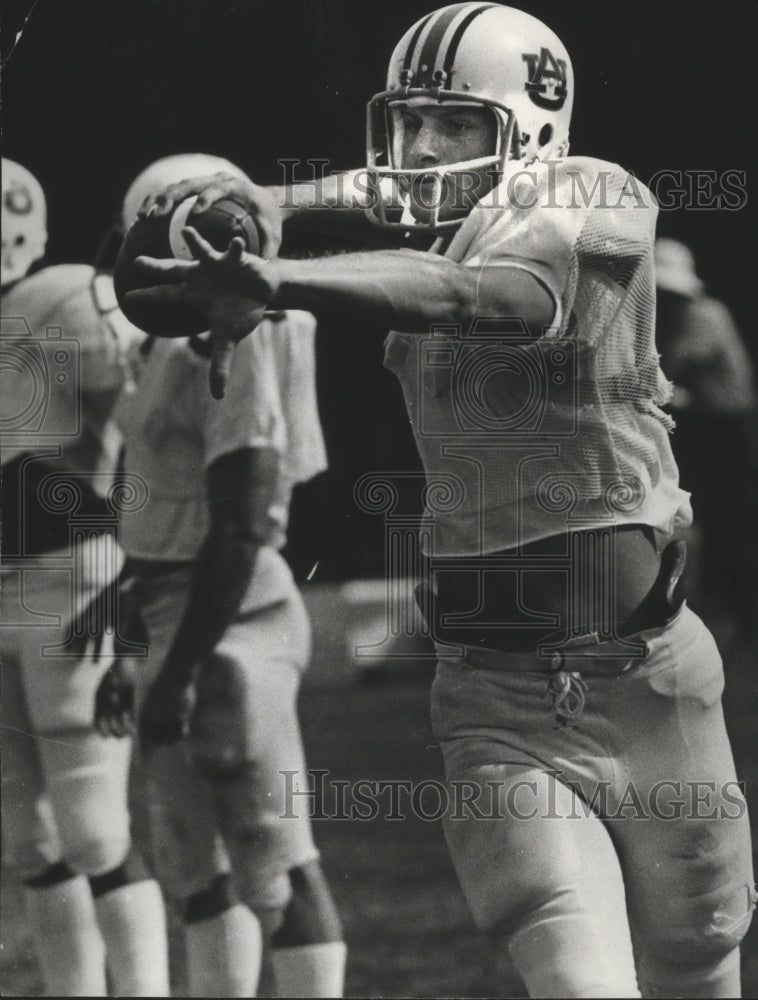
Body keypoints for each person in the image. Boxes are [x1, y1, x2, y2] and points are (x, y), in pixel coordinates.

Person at [123, 5, 756, 997]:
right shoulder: (459, 216)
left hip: (646, 689)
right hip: (493, 699)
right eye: (407, 120)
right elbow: (391, 202)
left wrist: (280, 277)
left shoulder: (592, 193)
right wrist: (272, 199)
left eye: (450, 122)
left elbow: (478, 298)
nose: (416, 147)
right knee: (580, 979)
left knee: (698, 965)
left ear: (532, 122)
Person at [97, 154, 346, 999]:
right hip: (174, 606)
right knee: (194, 867)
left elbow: (238, 529)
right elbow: (162, 505)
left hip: (226, 616)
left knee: (273, 859)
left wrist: (178, 667)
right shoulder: (179, 344)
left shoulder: (239, 339)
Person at [0, 159, 170, 997]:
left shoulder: (69, 297)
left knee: (95, 830)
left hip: (74, 572)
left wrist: (135, 569)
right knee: (26, 840)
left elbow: (155, 422)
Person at [654, 237, 758, 634]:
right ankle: (716, 604)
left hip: (727, 429)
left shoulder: (705, 316)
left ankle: (742, 611)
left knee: (731, 518)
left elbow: (678, 367)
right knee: (706, 515)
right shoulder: (686, 316)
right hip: (706, 428)